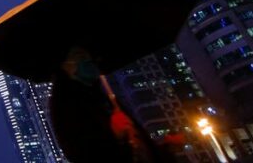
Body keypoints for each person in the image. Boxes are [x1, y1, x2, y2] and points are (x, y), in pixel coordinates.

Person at [49, 46, 177, 163]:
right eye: (81, 58)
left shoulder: (98, 95)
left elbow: (137, 148)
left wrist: (165, 146)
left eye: (89, 57)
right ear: (67, 67)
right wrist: (119, 137)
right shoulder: (67, 105)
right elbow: (86, 153)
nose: (90, 61)